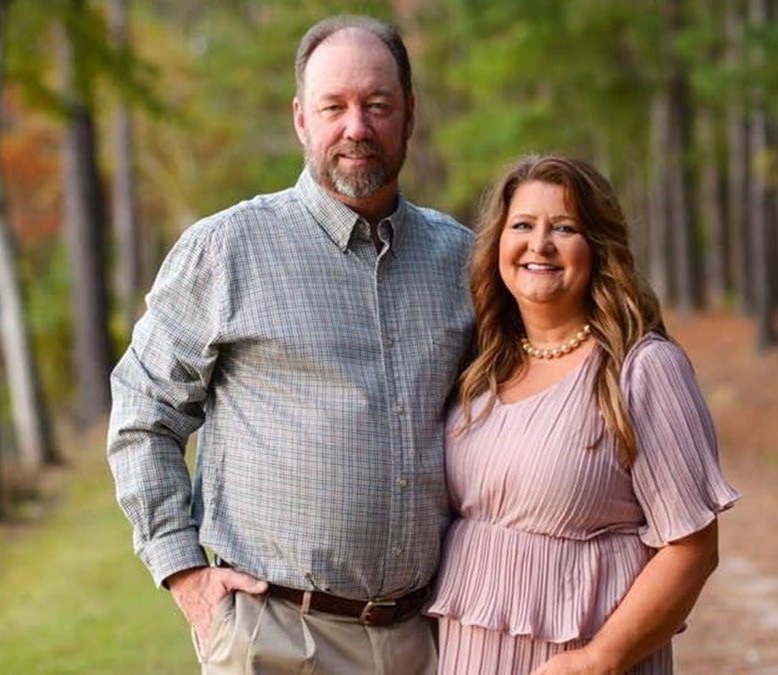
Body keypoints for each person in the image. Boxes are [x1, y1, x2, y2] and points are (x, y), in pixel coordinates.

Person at [106, 15, 473, 675]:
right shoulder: (227, 249)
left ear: (410, 116)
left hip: (426, 638)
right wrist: (184, 572)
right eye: (335, 106)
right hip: (276, 639)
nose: (356, 127)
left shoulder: (460, 260)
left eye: (377, 105)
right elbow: (142, 408)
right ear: (302, 119)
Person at [426, 155, 740, 674]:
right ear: (498, 244)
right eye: (522, 225)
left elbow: (693, 548)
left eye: (564, 228)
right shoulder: (481, 366)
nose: (539, 244)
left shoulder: (641, 369)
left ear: (597, 246)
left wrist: (602, 658)